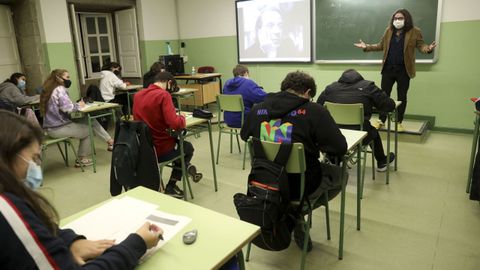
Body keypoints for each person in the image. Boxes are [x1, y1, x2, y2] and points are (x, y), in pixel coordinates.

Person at [0, 110, 162, 269]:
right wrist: (137, 243)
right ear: (8, 156)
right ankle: (85, 156)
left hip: (52, 127)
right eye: (34, 158)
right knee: (88, 129)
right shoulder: (8, 209)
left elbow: (38, 228)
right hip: (60, 128)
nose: (37, 165)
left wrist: (71, 241)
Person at [240, 71, 347, 252]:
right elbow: (339, 148)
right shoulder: (315, 112)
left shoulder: (258, 109)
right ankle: (295, 212)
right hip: (302, 186)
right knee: (341, 175)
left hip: (265, 184)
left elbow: (244, 136)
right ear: (307, 93)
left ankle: (289, 211)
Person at [354, 8, 436, 132]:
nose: (397, 20)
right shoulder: (389, 31)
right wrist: (367, 47)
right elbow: (381, 46)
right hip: (388, 69)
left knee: (402, 97)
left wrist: (428, 48)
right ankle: (382, 120)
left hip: (404, 70)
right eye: (395, 18)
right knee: (383, 96)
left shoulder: (415, 31)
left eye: (400, 18)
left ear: (406, 19)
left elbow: (421, 46)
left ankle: (399, 122)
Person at [133, 72, 202, 199]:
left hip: (144, 148)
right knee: (187, 148)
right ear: (169, 83)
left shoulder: (138, 95)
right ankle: (172, 184)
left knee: (180, 147)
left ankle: (185, 167)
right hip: (161, 148)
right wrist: (181, 118)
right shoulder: (163, 95)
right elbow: (175, 123)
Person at [317, 69, 396, 171]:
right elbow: (390, 105)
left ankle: (334, 160)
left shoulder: (330, 88)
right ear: (359, 78)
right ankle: (381, 161)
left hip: (335, 134)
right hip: (360, 134)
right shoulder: (368, 86)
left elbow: (318, 106)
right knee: (373, 133)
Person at [40, 69, 114, 167]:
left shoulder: (48, 89)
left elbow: (63, 107)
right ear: (58, 78)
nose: (68, 79)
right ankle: (81, 159)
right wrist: (80, 105)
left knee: (90, 120)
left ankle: (110, 141)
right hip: (58, 128)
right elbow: (68, 109)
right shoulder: (59, 89)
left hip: (51, 127)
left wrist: (76, 105)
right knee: (89, 131)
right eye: (67, 77)